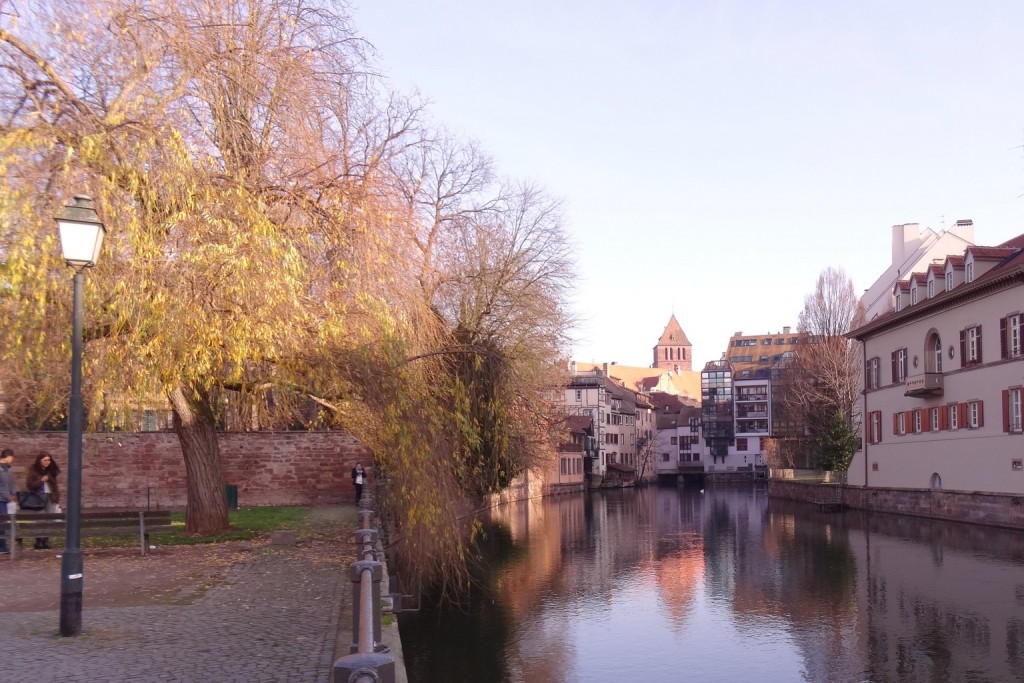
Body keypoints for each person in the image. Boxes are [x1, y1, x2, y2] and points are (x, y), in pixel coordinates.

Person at [25, 452, 61, 550]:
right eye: (45, 460)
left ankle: (45, 540)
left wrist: (56, 498)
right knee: (40, 519)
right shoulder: (33, 470)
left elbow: (55, 486)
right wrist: (42, 480)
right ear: (40, 460)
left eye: (49, 460)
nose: (47, 462)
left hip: (50, 497)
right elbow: (29, 485)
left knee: (49, 519)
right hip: (39, 497)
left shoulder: (51, 471)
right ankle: (38, 541)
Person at [0, 448, 15, 555]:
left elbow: (10, 483)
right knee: (2, 522)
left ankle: (3, 544)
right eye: (11, 457)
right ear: (8, 457)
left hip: (6, 499)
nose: (12, 460)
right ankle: (1, 545)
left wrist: (13, 493)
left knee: (4, 522)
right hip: (1, 499)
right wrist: (7, 495)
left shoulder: (7, 469)